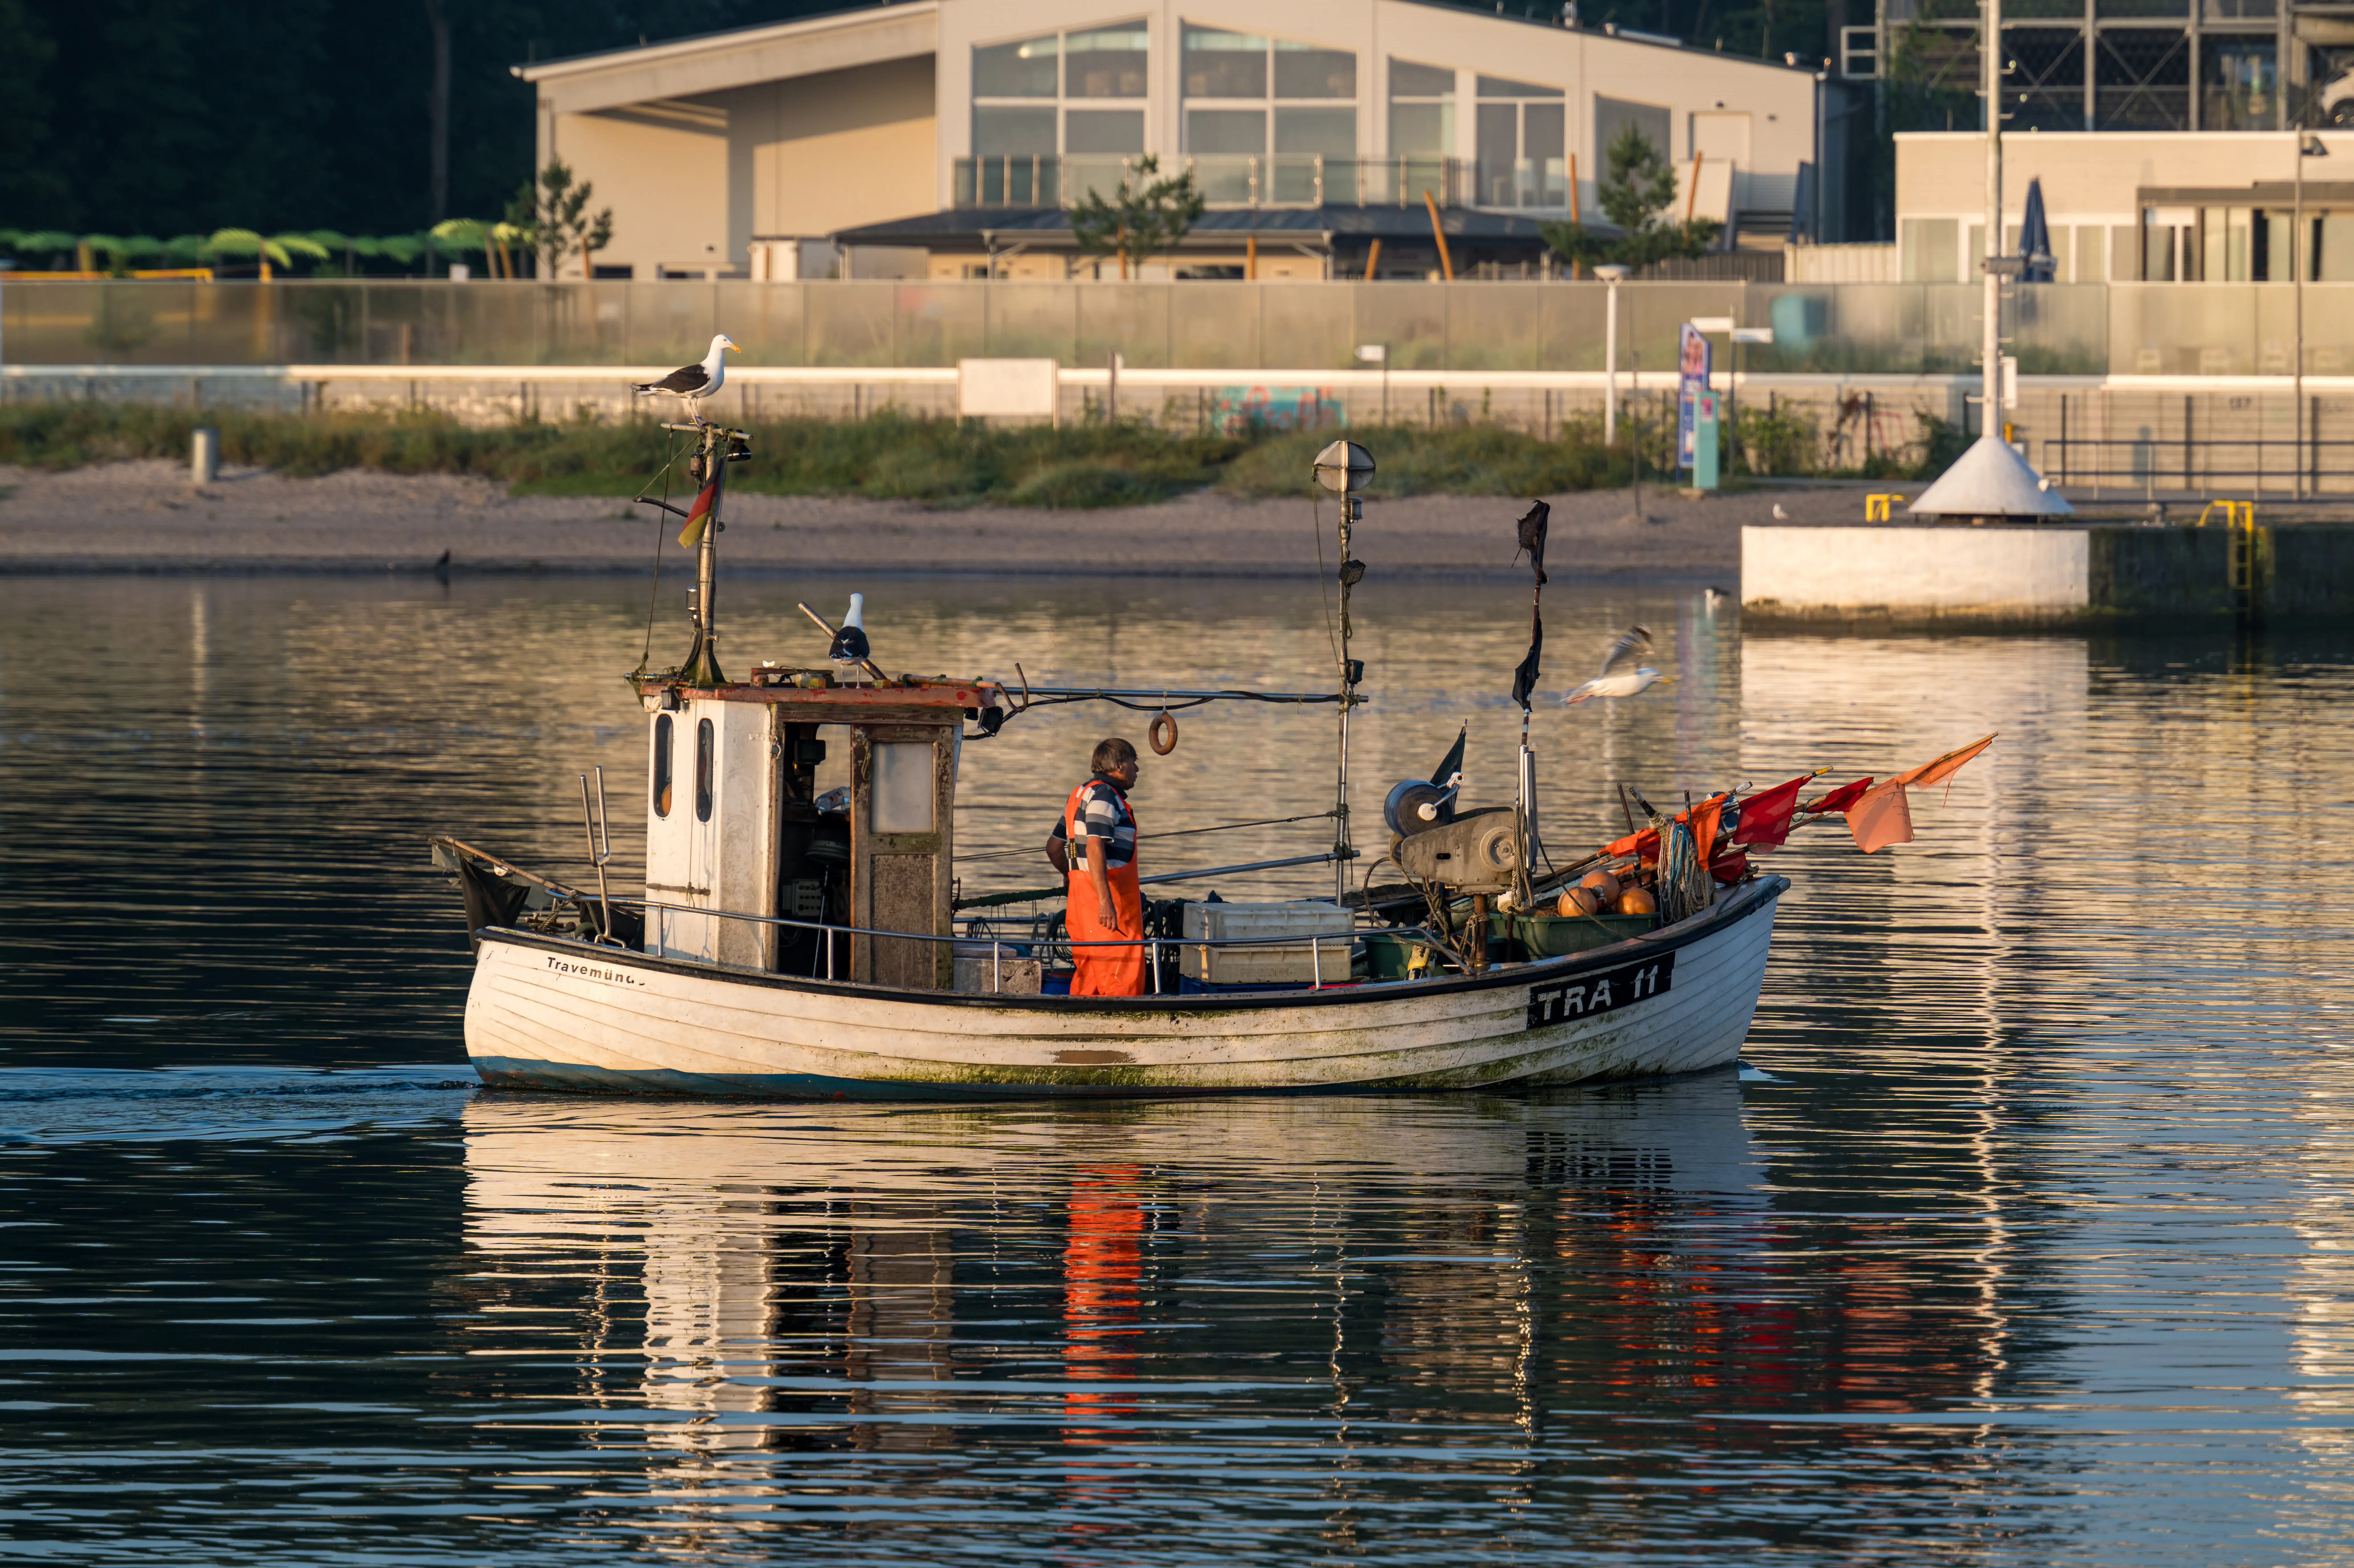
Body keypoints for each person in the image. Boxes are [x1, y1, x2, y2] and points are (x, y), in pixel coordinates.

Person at [1046, 738, 1144, 997]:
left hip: (1080, 903)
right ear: (1119, 766)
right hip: (1111, 902)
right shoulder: (1105, 796)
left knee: (1088, 974)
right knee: (1121, 974)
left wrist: (1071, 874)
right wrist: (1105, 900)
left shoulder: (1079, 795)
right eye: (1135, 763)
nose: (1138, 770)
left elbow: (1056, 848)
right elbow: (1094, 847)